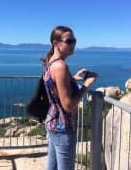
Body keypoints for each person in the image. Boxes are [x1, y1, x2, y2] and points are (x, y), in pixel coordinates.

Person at [42, 26, 98, 170]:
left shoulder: (50, 61)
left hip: (52, 123)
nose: (73, 44)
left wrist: (72, 79)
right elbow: (68, 105)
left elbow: (55, 84)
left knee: (52, 166)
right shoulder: (60, 66)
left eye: (74, 40)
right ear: (56, 43)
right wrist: (86, 85)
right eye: (69, 41)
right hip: (63, 127)